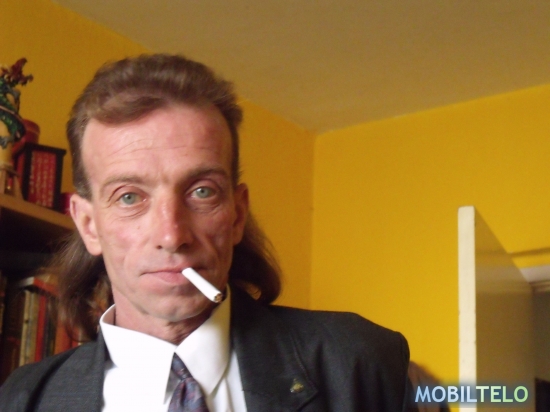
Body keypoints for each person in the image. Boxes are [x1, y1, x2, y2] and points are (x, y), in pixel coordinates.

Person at [0, 54, 413, 411]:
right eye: (129, 197)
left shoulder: (362, 362)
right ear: (89, 226)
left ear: (237, 215)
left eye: (202, 191)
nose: (172, 235)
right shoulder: (23, 399)